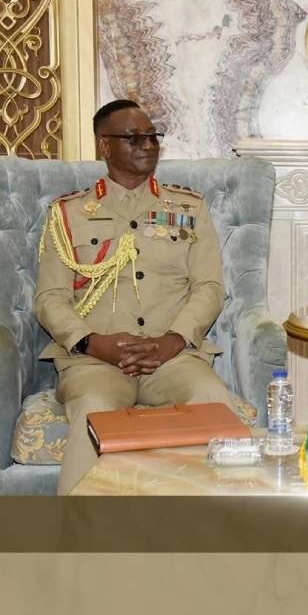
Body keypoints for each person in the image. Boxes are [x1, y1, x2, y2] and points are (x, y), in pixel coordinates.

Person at [35, 99, 234, 494]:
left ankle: (224, 524)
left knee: (211, 397)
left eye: (152, 136)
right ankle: (78, 528)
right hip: (95, 361)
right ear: (104, 146)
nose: (148, 144)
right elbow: (50, 298)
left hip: (173, 358)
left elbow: (209, 287)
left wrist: (172, 341)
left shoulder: (189, 208)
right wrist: (93, 343)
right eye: (134, 137)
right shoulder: (68, 214)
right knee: (93, 407)